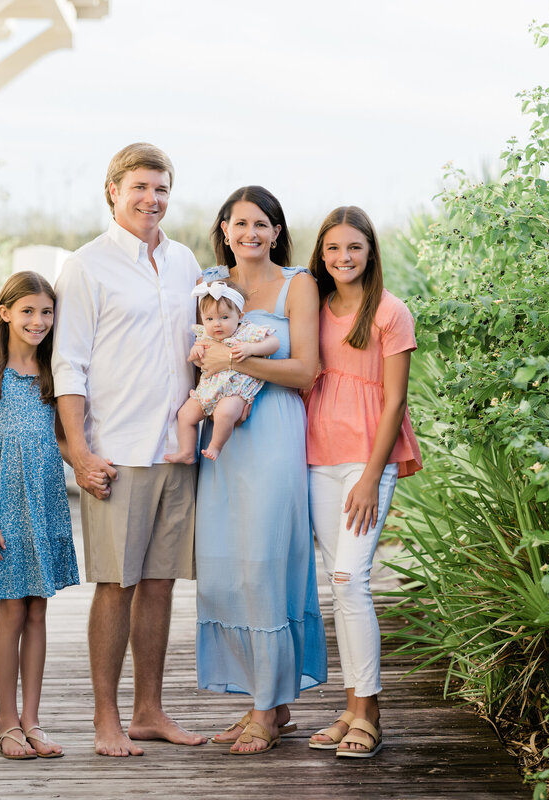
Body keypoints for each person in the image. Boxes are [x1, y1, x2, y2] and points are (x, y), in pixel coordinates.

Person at [51, 142, 207, 757]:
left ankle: (149, 710)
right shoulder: (86, 266)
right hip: (116, 451)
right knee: (115, 584)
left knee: (161, 583)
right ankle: (105, 719)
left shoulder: (186, 260)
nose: (152, 198)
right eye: (140, 186)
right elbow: (69, 365)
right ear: (113, 191)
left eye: (162, 188)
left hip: (174, 448)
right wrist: (80, 452)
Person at [193, 186, 328, 755]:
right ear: (224, 228)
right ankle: (266, 702)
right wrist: (207, 357)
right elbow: (196, 349)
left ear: (277, 232)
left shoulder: (300, 284)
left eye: (261, 224)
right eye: (239, 223)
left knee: (266, 563)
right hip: (221, 439)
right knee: (227, 566)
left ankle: (267, 710)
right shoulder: (208, 284)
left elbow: (306, 371)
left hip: (272, 430)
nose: (250, 233)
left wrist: (238, 358)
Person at [303, 206, 423, 758]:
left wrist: (371, 478)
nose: (342, 258)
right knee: (338, 583)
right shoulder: (315, 306)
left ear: (370, 250)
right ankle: (352, 708)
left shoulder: (389, 313)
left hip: (367, 462)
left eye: (353, 247)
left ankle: (369, 713)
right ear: (321, 255)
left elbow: (395, 398)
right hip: (316, 455)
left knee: (351, 579)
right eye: (332, 249)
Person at [0, 271, 82, 760]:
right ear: (5, 311)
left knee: (38, 610)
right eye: (28, 310)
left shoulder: (55, 371)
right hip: (3, 505)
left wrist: (90, 468)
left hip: (45, 500)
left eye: (47, 312)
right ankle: (6, 722)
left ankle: (33, 720)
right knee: (10, 610)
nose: (38, 321)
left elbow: (59, 440)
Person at [164, 280, 278, 463]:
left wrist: (251, 349)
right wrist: (196, 352)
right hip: (208, 389)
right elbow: (194, 358)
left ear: (239, 316)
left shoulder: (246, 332)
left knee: (223, 414)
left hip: (234, 391)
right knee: (185, 415)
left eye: (224, 317)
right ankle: (187, 451)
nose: (216, 324)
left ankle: (216, 446)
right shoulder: (205, 336)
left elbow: (274, 343)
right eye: (209, 319)